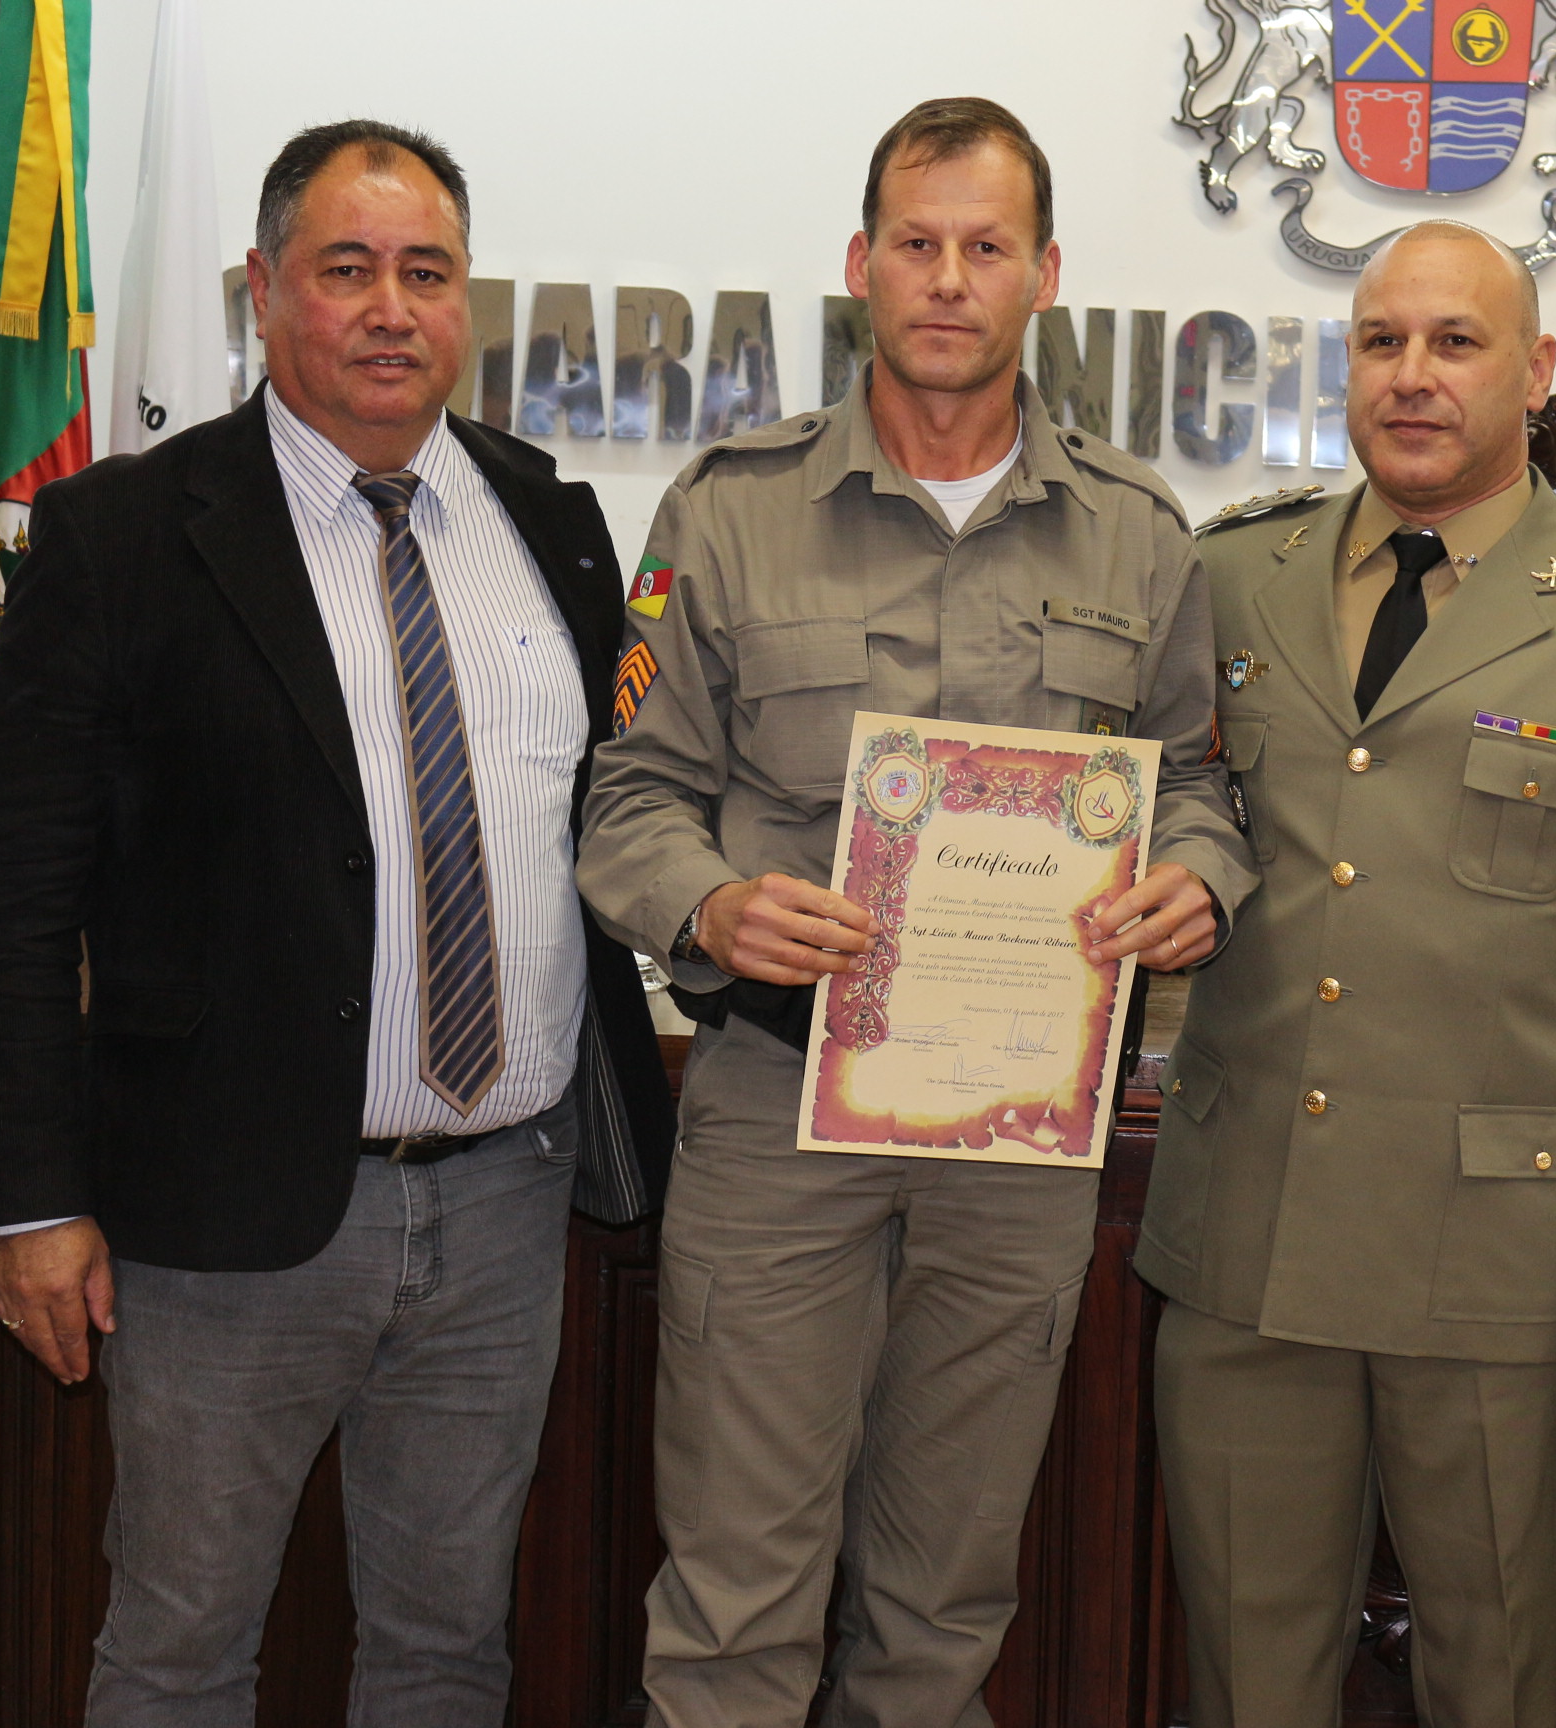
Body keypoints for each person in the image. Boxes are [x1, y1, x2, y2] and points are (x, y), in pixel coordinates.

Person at [0, 119, 672, 1724]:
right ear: (263, 290)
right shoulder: (125, 536)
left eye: (427, 272)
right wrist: (27, 1202)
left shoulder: (550, 518)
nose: (391, 309)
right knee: (181, 1652)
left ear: (466, 299)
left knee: (447, 1652)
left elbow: (614, 814)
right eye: (347, 270)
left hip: (505, 1201)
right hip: (225, 1215)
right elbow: (7, 899)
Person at [575, 97, 1253, 1727]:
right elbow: (627, 797)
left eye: (987, 247)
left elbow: (1200, 784)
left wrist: (1197, 882)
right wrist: (713, 905)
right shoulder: (731, 508)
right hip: (777, 1110)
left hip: (1020, 1136)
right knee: (736, 1593)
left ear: (1046, 276)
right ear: (861, 265)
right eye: (919, 243)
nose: (951, 279)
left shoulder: (1140, 533)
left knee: (944, 1602)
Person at [1136, 220, 1556, 1728]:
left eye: (1455, 342)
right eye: (1382, 342)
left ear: (1535, 370)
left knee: (1497, 1680)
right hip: (1249, 1245)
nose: (1412, 376)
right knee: (1245, 1682)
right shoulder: (1233, 574)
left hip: (1507, 1264)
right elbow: (1164, 806)